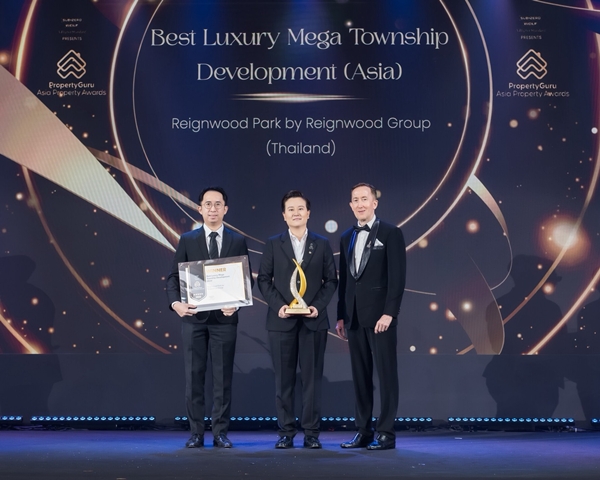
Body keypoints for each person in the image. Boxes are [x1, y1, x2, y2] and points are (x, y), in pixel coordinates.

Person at [166, 186, 253, 449]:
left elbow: (245, 280)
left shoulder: (237, 240)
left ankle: (220, 433)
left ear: (225, 209)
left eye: (218, 204)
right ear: (200, 208)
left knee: (222, 379)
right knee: (194, 377)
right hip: (193, 319)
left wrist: (237, 304)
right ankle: (195, 433)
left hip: (224, 321)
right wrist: (176, 304)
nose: (212, 209)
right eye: (208, 204)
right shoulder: (187, 239)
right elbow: (173, 278)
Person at [258, 190, 338, 449]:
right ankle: (286, 432)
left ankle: (312, 433)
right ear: (284, 215)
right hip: (281, 322)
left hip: (313, 322)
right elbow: (263, 279)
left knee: (312, 380)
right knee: (284, 380)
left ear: (308, 213)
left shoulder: (321, 243)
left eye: (300, 208)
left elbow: (331, 280)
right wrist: (279, 306)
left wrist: (316, 307)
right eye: (290, 209)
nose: (296, 213)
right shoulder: (273, 243)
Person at [336, 183, 406, 451]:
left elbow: (397, 278)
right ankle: (363, 431)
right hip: (354, 317)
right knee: (360, 377)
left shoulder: (390, 233)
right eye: (355, 200)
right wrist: (341, 316)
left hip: (380, 318)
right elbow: (345, 281)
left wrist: (390, 313)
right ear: (350, 205)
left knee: (386, 376)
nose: (360, 204)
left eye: (364, 199)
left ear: (374, 203)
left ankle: (386, 433)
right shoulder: (346, 236)